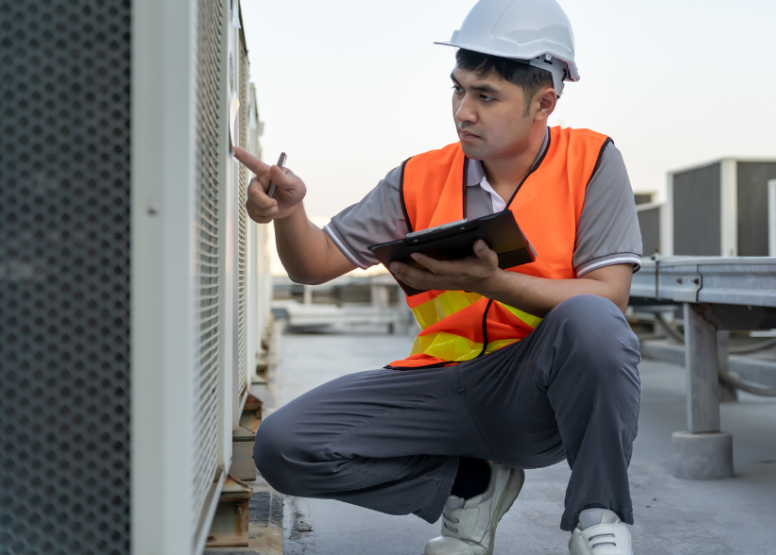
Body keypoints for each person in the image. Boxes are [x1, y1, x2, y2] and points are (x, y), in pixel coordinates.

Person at [235, 1, 643, 553]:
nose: (463, 111)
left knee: (594, 317)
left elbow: (610, 294)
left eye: (486, 95)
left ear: (543, 102)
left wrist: (492, 283)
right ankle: (470, 488)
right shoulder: (418, 177)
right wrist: (288, 214)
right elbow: (315, 263)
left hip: (537, 393)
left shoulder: (593, 160)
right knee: (283, 446)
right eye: (458, 89)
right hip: (441, 385)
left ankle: (600, 519)